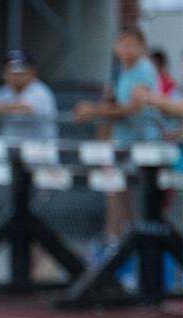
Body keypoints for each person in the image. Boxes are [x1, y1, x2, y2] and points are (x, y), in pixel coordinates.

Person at [73, 26, 161, 256]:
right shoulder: (118, 70)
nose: (125, 49)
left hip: (144, 146)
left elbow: (133, 108)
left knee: (135, 199)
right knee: (114, 192)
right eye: (121, 44)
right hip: (121, 144)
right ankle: (115, 243)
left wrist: (94, 110)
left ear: (142, 47)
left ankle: (131, 246)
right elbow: (111, 106)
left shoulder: (143, 70)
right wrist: (100, 124)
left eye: (131, 44)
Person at [0, 50, 58, 141]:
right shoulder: (7, 90)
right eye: (10, 72)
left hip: (40, 150)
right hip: (13, 149)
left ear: (32, 73)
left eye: (20, 73)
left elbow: (24, 109)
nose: (14, 77)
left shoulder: (39, 91)